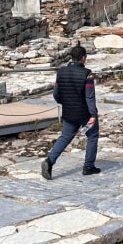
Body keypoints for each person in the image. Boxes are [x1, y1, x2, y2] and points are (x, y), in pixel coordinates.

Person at [41, 45, 100, 179]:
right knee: (92, 136)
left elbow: (56, 94)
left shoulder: (61, 72)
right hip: (84, 114)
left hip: (68, 112)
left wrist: (65, 103)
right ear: (83, 58)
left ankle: (49, 161)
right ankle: (88, 166)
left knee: (65, 137)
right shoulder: (87, 74)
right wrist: (93, 115)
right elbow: (89, 97)